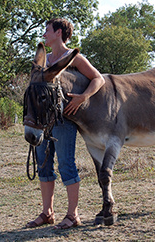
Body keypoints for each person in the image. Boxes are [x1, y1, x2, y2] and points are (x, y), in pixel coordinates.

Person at [26, 18, 105, 229]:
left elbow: (98, 79)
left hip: (64, 120)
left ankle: (73, 215)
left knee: (66, 165)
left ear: (59, 32)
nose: (44, 34)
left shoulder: (74, 58)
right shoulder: (44, 59)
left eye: (47, 30)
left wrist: (83, 97)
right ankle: (47, 213)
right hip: (43, 122)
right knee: (43, 164)